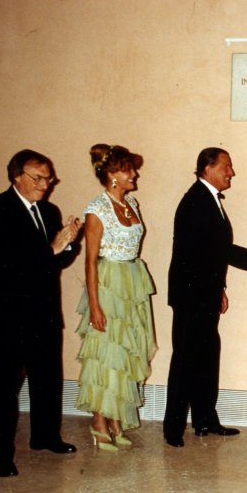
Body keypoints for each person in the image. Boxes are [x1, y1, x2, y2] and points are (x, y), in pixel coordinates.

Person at [163, 147, 247, 447]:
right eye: (227, 166)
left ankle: (205, 420)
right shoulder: (197, 201)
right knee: (186, 359)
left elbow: (207, 253)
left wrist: (219, 288)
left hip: (203, 293)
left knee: (206, 356)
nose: (231, 172)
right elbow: (218, 250)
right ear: (207, 168)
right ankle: (173, 429)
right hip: (190, 295)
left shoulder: (207, 199)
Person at [0, 149, 81, 477]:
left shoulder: (50, 211)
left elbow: (57, 262)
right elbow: (9, 258)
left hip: (45, 311)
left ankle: (46, 436)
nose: (45, 184)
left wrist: (69, 243)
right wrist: (52, 247)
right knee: (4, 387)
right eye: (38, 178)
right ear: (16, 176)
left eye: (49, 178)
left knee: (47, 379)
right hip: (9, 316)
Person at [75, 144, 158, 451]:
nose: (134, 174)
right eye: (127, 169)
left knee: (126, 353)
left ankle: (116, 420)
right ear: (111, 174)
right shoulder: (96, 210)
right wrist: (94, 305)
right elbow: (90, 261)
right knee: (106, 354)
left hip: (132, 283)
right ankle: (99, 421)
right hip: (109, 285)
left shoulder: (132, 203)